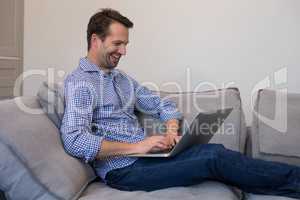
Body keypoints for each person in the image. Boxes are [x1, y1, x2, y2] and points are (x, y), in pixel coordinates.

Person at [60, 8, 300, 198]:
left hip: (147, 159)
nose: (123, 51)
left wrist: (172, 132)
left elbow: (162, 106)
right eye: (117, 44)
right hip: (123, 171)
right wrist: (137, 147)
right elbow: (74, 140)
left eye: (126, 45)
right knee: (212, 159)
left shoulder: (122, 79)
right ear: (95, 40)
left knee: (214, 151)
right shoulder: (81, 83)